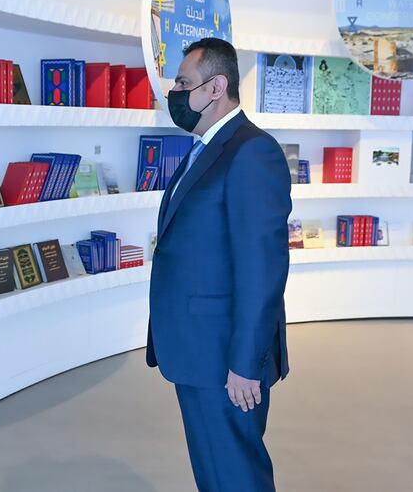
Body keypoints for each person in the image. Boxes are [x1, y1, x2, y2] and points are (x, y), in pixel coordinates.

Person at [147, 38, 291, 492]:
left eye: (183, 83)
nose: (175, 92)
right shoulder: (205, 149)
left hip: (223, 360)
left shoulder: (251, 153)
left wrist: (245, 364)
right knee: (215, 472)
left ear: (216, 87)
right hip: (196, 350)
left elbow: (261, 270)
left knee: (234, 476)